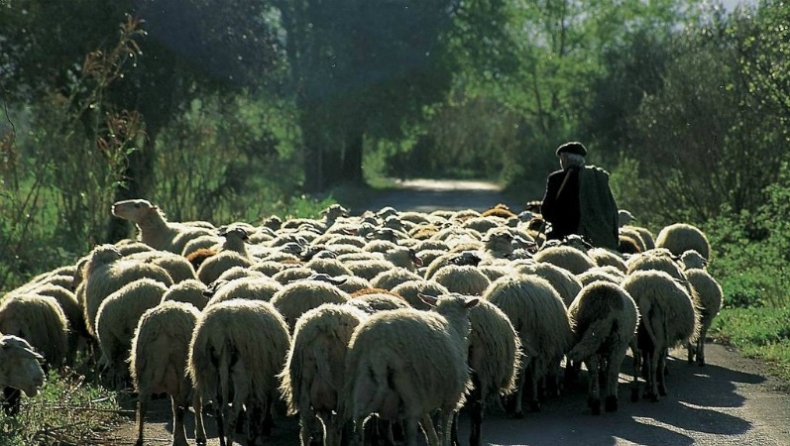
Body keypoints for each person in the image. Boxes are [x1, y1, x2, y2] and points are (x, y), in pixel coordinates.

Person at [540, 141, 619, 250]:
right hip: (595, 238)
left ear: (566, 159)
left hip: (564, 239)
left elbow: (546, 212)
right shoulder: (596, 179)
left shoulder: (556, 179)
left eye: (561, 159)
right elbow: (612, 210)